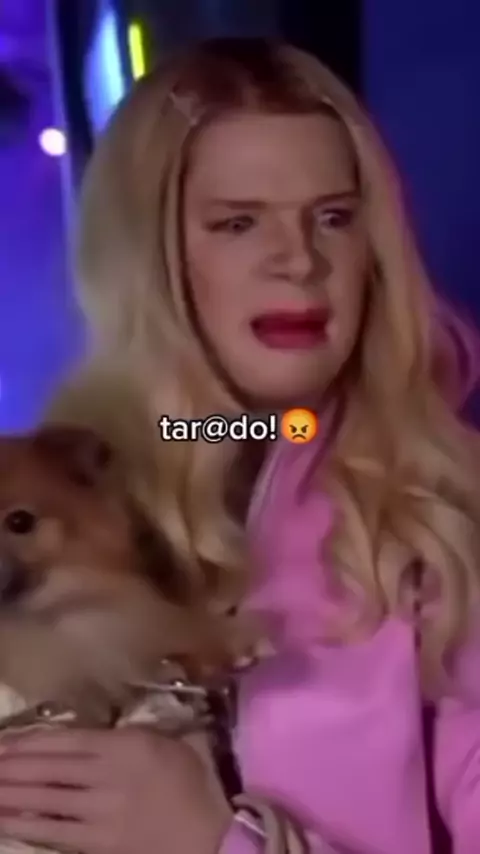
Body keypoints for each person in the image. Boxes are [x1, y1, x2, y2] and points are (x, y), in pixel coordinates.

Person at [0, 37, 479, 854]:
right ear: (153, 256)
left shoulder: (438, 515)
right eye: (238, 223)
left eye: (334, 217)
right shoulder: (54, 488)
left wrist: (215, 842)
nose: (299, 262)